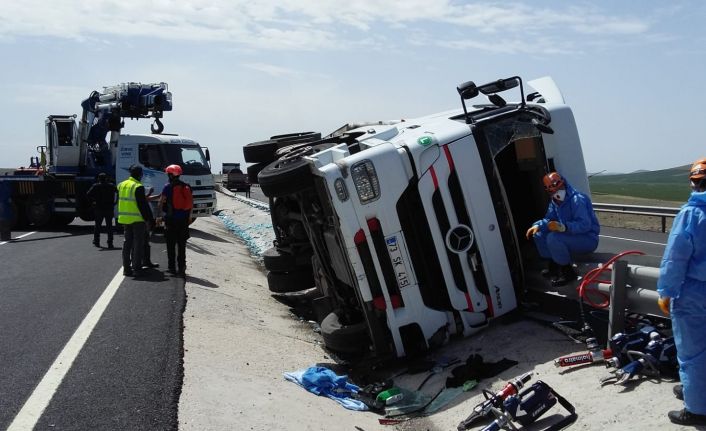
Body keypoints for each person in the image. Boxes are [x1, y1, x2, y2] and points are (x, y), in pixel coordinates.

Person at [657, 158, 706, 426]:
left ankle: (697, 408)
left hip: (694, 293)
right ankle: (694, 389)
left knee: (692, 353)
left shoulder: (691, 213)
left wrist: (666, 291)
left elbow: (675, 259)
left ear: (694, 182)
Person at [525, 171, 600, 286]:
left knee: (554, 238)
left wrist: (565, 227)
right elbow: (549, 219)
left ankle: (568, 272)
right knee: (539, 234)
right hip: (571, 235)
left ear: (562, 183)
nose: (553, 191)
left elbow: (585, 225)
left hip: (588, 238)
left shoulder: (577, 200)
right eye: (550, 188)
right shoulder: (555, 201)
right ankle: (554, 267)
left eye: (554, 186)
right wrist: (538, 225)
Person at [117, 164, 155, 277]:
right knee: (138, 244)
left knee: (127, 244)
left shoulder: (121, 185)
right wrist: (149, 219)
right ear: (140, 174)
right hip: (137, 219)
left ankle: (126, 269)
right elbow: (142, 205)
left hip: (125, 219)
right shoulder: (138, 186)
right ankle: (137, 268)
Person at [157, 164, 193, 277]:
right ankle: (181, 268)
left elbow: (161, 202)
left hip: (171, 220)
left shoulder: (167, 187)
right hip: (183, 221)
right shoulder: (187, 187)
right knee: (182, 245)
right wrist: (188, 218)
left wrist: (159, 216)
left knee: (170, 245)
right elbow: (191, 205)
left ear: (171, 175)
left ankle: (172, 268)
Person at [86, 172, 118, 248]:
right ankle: (110, 243)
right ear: (106, 178)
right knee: (109, 226)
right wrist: (116, 202)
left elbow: (88, 194)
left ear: (98, 179)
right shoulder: (111, 186)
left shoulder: (96, 186)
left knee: (97, 226)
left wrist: (93, 201)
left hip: (99, 208)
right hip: (109, 208)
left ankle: (96, 241)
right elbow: (118, 192)